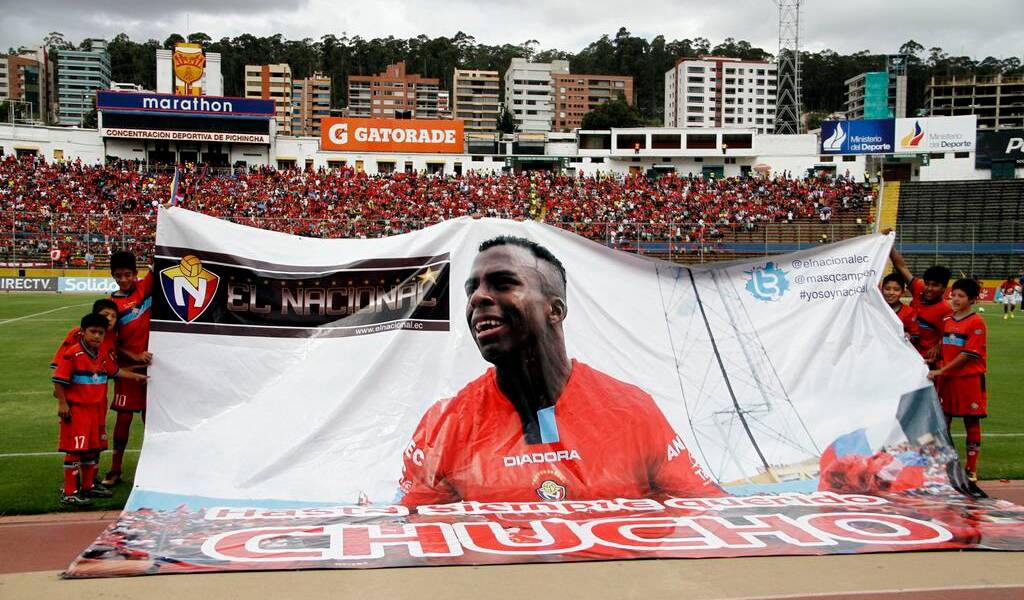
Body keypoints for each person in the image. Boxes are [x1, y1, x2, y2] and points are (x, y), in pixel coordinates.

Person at [397, 236, 724, 507]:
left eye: (503, 284)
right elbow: (411, 536)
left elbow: (708, 512)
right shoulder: (446, 425)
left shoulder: (632, 412)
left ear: (554, 310)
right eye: (472, 290)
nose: (479, 297)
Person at [52, 313, 147, 506]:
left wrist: (136, 377)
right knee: (74, 450)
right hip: (78, 410)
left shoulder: (102, 354)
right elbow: (58, 379)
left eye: (100, 333)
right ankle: (70, 491)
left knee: (92, 449)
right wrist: (63, 403)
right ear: (82, 332)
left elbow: (115, 371)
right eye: (93, 332)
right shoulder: (73, 353)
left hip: (96, 410)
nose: (96, 336)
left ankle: (88, 486)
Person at [927, 278, 987, 487]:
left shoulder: (976, 322)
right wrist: (930, 359)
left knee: (971, 421)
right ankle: (946, 465)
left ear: (971, 299)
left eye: (961, 296)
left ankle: (971, 468)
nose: (955, 299)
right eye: (954, 295)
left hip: (968, 380)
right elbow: (945, 348)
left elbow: (968, 355)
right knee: (944, 422)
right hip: (947, 380)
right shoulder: (947, 321)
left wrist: (941, 370)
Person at [105, 251, 154, 487]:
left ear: (135, 274)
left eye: (127, 275)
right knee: (123, 420)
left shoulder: (144, 288)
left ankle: (153, 469)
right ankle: (115, 469)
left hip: (152, 370)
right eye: (118, 276)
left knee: (150, 420)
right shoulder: (110, 305)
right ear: (112, 276)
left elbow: (160, 259)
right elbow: (111, 342)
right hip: (127, 370)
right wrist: (134, 355)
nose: (123, 280)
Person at [888, 246, 952, 367]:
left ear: (944, 288)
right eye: (927, 284)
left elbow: (950, 335)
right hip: (905, 353)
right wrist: (889, 245)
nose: (929, 288)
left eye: (935, 285)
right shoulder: (918, 287)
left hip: (925, 360)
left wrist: (939, 346)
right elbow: (901, 267)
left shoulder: (946, 309)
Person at [880, 272, 920, 345]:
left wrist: (909, 337)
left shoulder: (909, 312)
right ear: (881, 290)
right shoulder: (876, 309)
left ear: (903, 292)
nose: (891, 292)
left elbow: (916, 336)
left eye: (896, 290)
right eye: (887, 289)